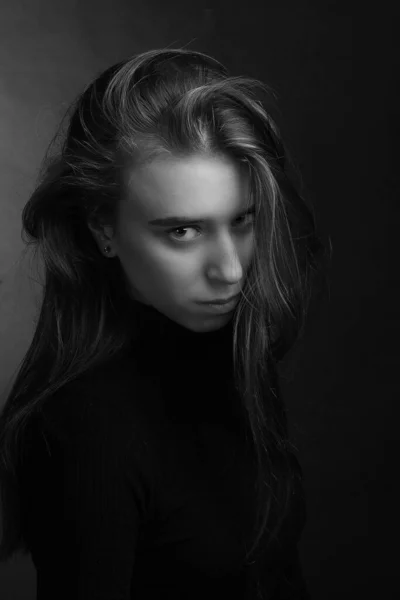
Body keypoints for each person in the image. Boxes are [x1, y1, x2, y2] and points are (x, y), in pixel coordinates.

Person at [0, 47, 329, 599]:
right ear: (103, 226)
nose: (229, 270)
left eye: (241, 220)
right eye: (182, 231)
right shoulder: (86, 430)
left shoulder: (237, 360)